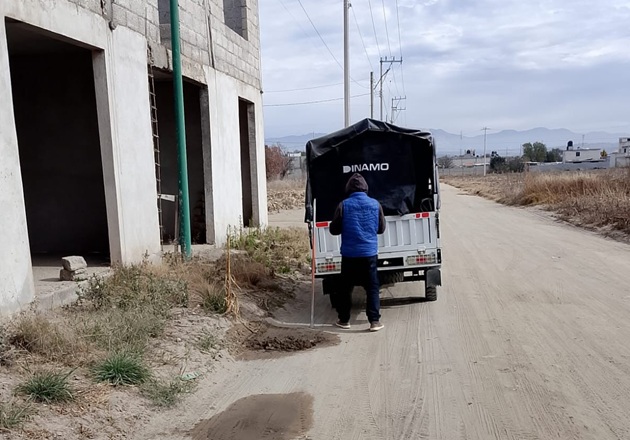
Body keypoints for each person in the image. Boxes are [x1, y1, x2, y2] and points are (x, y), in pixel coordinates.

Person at [329, 173, 386, 332]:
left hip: (349, 255)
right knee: (372, 287)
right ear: (365, 188)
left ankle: (344, 320)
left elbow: (334, 230)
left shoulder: (343, 205)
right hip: (369, 254)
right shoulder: (375, 204)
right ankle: (374, 321)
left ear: (349, 189)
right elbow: (381, 229)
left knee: (345, 288)